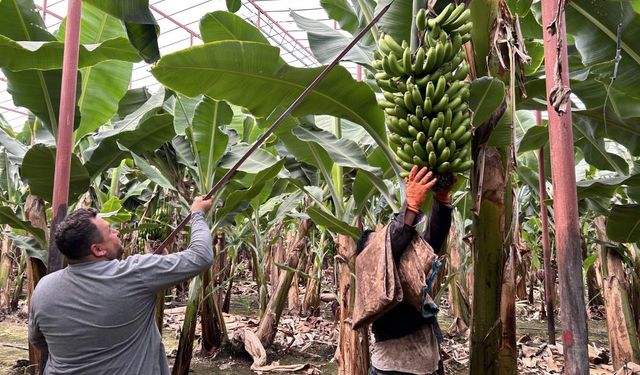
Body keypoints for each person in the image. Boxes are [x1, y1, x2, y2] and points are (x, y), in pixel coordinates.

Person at [29, 196, 214, 375]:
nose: (117, 233)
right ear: (98, 249)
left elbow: (38, 340)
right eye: (110, 231)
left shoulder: (43, 288)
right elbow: (200, 256)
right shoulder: (134, 274)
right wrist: (197, 213)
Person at [357, 165, 454, 375]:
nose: (383, 231)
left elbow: (432, 241)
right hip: (394, 367)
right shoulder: (370, 261)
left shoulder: (409, 265)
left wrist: (442, 200)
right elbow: (392, 242)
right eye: (379, 232)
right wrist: (410, 207)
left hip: (428, 362)